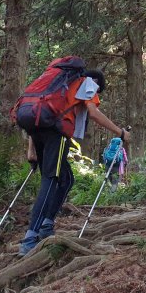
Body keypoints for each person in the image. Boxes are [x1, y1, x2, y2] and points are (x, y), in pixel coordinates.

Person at [15, 57, 131, 255]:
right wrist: (120, 133)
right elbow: (93, 113)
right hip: (57, 133)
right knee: (51, 180)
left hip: (37, 129)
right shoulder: (87, 84)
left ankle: (46, 225)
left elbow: (39, 116)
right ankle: (30, 237)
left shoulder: (57, 84)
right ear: (96, 84)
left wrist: (31, 149)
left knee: (66, 178)